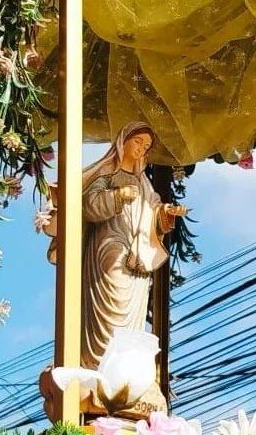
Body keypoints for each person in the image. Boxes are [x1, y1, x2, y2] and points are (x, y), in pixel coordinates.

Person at [80, 122, 186, 369]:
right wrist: (117, 196)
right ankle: (96, 362)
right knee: (112, 297)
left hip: (136, 255)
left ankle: (122, 366)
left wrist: (166, 213)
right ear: (123, 142)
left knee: (131, 313)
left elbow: (153, 209)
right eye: (137, 142)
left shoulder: (143, 182)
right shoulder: (106, 174)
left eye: (146, 146)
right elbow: (89, 205)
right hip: (109, 246)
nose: (141, 149)